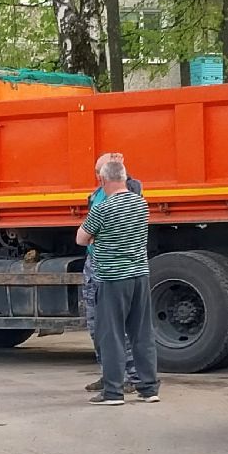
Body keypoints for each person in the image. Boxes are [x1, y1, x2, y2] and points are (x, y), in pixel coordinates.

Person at [77, 154, 159, 405]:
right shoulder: (140, 204)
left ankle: (113, 392)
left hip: (111, 278)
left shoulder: (102, 207)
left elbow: (81, 238)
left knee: (110, 334)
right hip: (139, 275)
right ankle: (149, 389)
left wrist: (97, 238)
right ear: (124, 177)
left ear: (103, 179)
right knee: (142, 333)